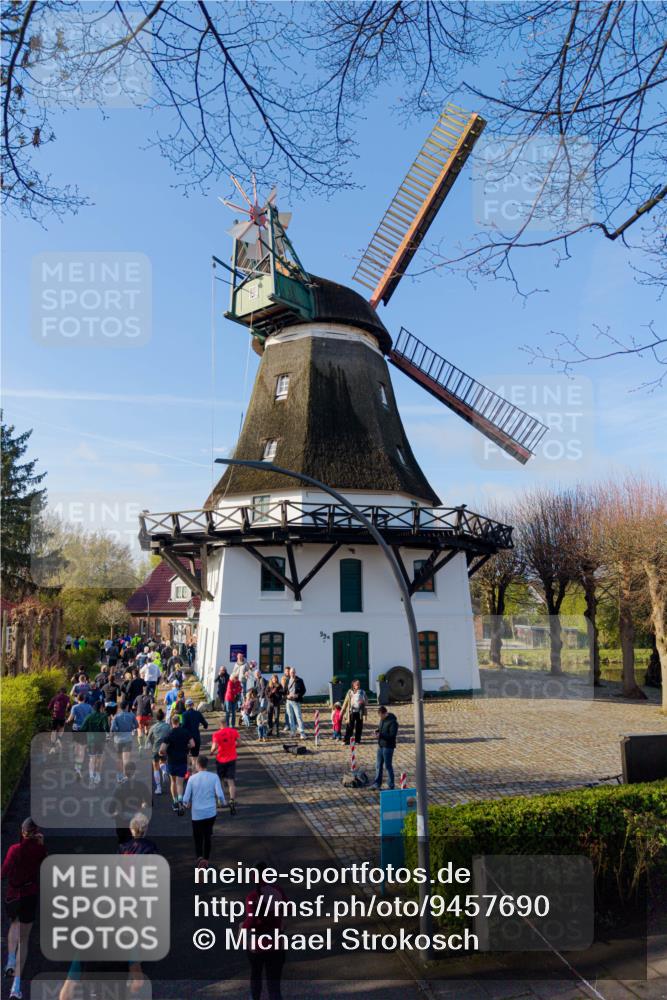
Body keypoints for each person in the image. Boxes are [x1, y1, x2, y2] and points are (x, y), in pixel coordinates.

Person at [2, 817, 47, 1000]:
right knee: (25, 938)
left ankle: (10, 961)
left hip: (13, 895)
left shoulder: (14, 849)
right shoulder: (38, 850)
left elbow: (3, 872)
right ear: (36, 833)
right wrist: (42, 846)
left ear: (22, 832)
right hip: (30, 894)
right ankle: (16, 987)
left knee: (13, 925)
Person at [242, 865, 287, 1000]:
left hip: (257, 944)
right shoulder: (278, 891)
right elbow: (288, 909)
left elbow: (251, 920)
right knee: (274, 984)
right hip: (276, 942)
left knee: (256, 974)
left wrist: (242, 929)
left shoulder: (252, 897)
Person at [182, 756, 225, 864]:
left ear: (197, 765)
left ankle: (199, 858)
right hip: (210, 813)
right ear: (206, 765)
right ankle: (206, 860)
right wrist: (222, 802)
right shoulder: (214, 777)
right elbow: (220, 794)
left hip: (197, 814)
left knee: (198, 838)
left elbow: (185, 799)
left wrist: (186, 804)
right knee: (207, 836)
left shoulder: (192, 779)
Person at [160, 715, 195, 815]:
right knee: (180, 783)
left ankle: (175, 802)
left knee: (173, 782)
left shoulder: (169, 734)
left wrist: (162, 753)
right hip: (182, 760)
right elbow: (192, 744)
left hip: (172, 761)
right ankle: (181, 800)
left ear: (171, 722)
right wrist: (185, 746)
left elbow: (162, 750)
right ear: (179, 722)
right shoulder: (185, 732)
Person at [211, 722, 239, 815]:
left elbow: (214, 747)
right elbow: (239, 742)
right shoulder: (234, 731)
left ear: (220, 725)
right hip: (232, 758)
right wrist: (233, 746)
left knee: (221, 780)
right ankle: (232, 800)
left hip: (221, 759)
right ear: (226, 724)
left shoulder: (216, 734)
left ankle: (221, 800)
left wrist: (212, 752)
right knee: (231, 781)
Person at [79, 702, 110, 785]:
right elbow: (106, 728)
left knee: (92, 759)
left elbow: (82, 729)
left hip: (91, 740)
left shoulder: (89, 716)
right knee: (99, 759)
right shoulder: (104, 716)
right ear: (101, 707)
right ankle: (98, 776)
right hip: (101, 741)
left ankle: (91, 776)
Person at [370, 705, 399, 790]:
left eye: (380, 715)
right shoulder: (382, 720)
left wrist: (380, 735)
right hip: (380, 745)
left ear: (385, 713)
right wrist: (377, 731)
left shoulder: (393, 722)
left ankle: (391, 785)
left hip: (388, 747)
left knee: (388, 766)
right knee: (378, 765)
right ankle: (377, 783)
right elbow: (381, 728)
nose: (380, 717)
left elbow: (392, 735)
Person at [110, 700, 138, 783]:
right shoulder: (131, 715)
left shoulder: (116, 717)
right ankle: (127, 776)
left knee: (119, 759)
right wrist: (131, 728)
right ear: (127, 707)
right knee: (126, 759)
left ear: (120, 707)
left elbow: (112, 729)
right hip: (128, 739)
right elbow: (136, 725)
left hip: (118, 740)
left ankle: (119, 776)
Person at [67, 693, 92, 779]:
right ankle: (78, 769)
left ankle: (76, 762)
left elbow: (71, 718)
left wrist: (67, 721)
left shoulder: (75, 707)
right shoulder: (89, 707)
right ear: (84, 699)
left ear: (77, 699)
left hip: (76, 729)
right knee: (82, 750)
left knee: (77, 747)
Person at [147, 708, 171, 795]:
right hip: (164, 749)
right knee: (163, 762)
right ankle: (164, 771)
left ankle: (158, 788)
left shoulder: (153, 727)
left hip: (155, 749)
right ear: (164, 717)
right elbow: (170, 736)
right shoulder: (168, 726)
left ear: (156, 718)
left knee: (155, 768)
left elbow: (148, 739)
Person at [182, 698, 209, 763]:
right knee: (195, 757)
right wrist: (205, 726)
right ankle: (194, 770)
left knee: (186, 755)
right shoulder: (198, 713)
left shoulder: (184, 714)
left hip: (187, 738)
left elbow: (183, 726)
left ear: (186, 706)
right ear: (193, 705)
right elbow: (205, 724)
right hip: (196, 737)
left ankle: (188, 771)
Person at [342, 678, 368, 745]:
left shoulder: (362, 692)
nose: (358, 686)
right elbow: (345, 702)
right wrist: (342, 712)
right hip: (351, 711)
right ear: (353, 685)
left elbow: (367, 702)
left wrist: (363, 702)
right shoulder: (350, 692)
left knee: (359, 726)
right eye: (357, 684)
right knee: (350, 726)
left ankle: (357, 740)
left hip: (360, 712)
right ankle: (347, 740)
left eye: (359, 684)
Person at [284, 667, 307, 739]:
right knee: (290, 717)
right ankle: (293, 731)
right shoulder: (287, 680)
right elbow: (284, 691)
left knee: (298, 717)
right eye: (291, 673)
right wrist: (287, 696)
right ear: (289, 673)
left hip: (296, 701)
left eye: (293, 672)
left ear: (295, 673)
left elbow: (304, 690)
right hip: (288, 701)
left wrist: (297, 695)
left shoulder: (300, 680)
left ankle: (302, 733)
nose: (292, 674)